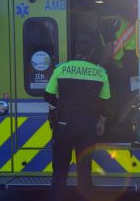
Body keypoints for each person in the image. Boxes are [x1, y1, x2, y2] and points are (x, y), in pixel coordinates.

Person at [44, 36, 111, 201]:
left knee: (59, 171)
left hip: (63, 125)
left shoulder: (61, 69)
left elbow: (48, 95)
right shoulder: (101, 73)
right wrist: (101, 122)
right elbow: (106, 103)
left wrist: (62, 104)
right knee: (84, 170)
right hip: (87, 126)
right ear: (93, 52)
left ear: (75, 50)